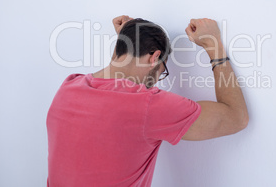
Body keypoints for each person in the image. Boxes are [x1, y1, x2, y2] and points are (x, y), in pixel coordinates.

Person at [46, 15, 249, 187]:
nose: (153, 85)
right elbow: (236, 117)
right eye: (161, 72)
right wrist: (214, 47)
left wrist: (132, 36)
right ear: (154, 57)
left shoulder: (69, 87)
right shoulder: (145, 104)